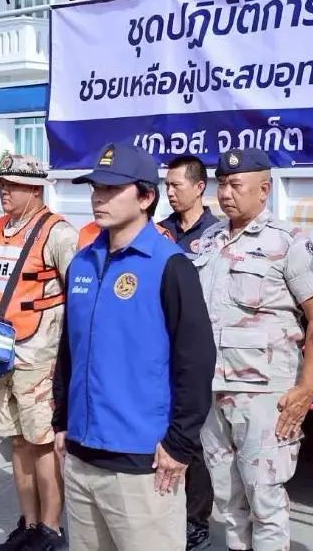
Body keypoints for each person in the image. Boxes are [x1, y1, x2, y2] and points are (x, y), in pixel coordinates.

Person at [53, 141, 215, 551]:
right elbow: (70, 349)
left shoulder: (170, 265)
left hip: (143, 463)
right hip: (82, 457)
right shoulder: (82, 263)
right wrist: (61, 422)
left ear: (145, 197)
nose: (98, 198)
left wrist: (179, 444)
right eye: (96, 188)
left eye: (112, 189)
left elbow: (196, 362)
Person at [192, 147, 313, 551]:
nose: (226, 193)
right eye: (222, 184)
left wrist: (307, 386)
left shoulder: (287, 243)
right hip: (212, 389)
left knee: (265, 501)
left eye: (236, 185)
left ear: (264, 189)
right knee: (227, 501)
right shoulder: (209, 240)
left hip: (264, 394)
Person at [0, 155, 78, 551]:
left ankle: (51, 530)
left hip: (38, 357)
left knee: (42, 443)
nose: (3, 192)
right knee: (17, 442)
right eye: (1, 185)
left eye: (11, 185)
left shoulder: (59, 233)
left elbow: (77, 296)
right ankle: (29, 523)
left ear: (35, 189)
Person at [158, 153, 220, 550]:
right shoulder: (159, 231)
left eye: (176, 185)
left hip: (197, 351)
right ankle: (167, 513)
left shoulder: (216, 234)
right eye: (166, 186)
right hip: (161, 349)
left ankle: (196, 522)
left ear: (199, 187)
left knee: (195, 442)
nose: (169, 192)